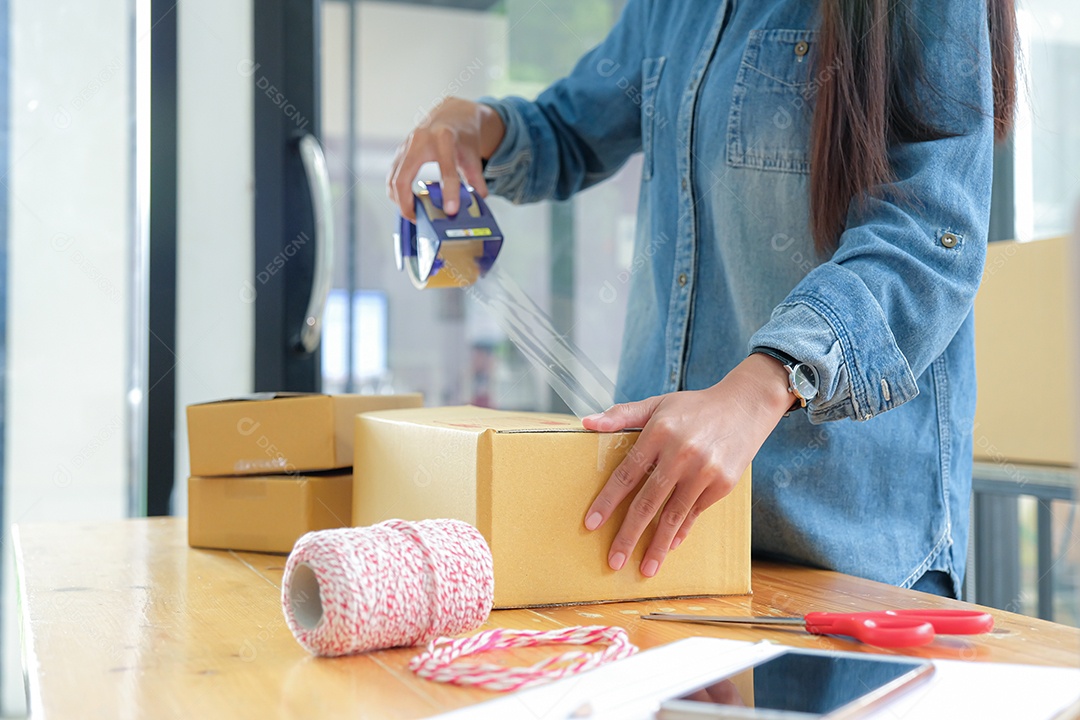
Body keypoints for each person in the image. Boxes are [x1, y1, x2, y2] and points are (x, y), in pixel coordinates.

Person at [388, 0, 1016, 598]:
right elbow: (573, 127)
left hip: (843, 552)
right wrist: (482, 126)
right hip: (667, 543)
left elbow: (931, 234)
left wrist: (763, 386)